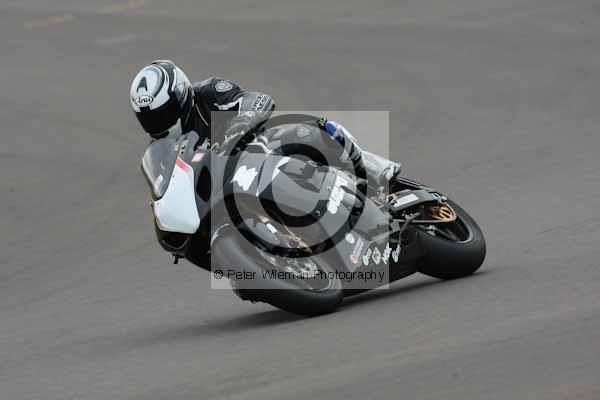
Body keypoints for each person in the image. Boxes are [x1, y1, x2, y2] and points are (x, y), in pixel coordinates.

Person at [129, 60, 400, 188]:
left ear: (180, 96)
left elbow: (258, 100)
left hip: (261, 152)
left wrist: (240, 124)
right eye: (149, 118)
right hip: (231, 190)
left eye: (163, 112)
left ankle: (374, 171)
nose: (157, 123)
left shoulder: (208, 93)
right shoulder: (162, 149)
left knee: (313, 128)